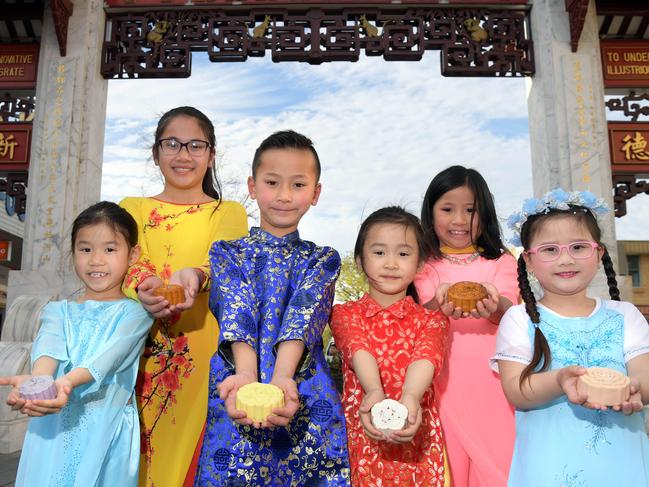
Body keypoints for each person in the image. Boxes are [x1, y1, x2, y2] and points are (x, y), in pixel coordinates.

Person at [192, 130, 351, 485]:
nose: (283, 196)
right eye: (272, 182)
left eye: (297, 185)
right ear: (252, 186)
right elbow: (238, 311)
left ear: (316, 193)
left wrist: (282, 378)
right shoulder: (226, 253)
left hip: (303, 389)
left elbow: (302, 317)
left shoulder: (322, 259)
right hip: (236, 380)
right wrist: (247, 377)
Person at [119, 106, 248, 487]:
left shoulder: (228, 212)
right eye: (172, 143)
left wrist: (195, 276)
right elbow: (123, 259)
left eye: (195, 145)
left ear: (210, 155)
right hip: (138, 351)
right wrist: (143, 286)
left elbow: (223, 262)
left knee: (189, 465)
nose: (183, 154)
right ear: (156, 152)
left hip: (200, 355)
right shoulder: (133, 208)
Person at [492, 189, 649, 486]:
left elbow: (645, 373)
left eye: (578, 247)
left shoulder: (625, 315)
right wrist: (559, 380)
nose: (566, 259)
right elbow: (516, 390)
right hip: (549, 469)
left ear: (599, 252)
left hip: (624, 468)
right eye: (550, 250)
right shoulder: (519, 319)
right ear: (528, 260)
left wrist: (633, 390)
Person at [0, 201, 152, 486]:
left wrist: (66, 383)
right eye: (85, 249)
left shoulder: (136, 313)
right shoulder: (58, 311)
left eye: (109, 249)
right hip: (53, 424)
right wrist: (40, 383)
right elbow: (48, 350)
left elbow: (109, 358)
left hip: (106, 426)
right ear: (72, 253)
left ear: (132, 255)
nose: (96, 260)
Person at [413, 165, 518, 487]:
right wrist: (435, 307)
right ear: (430, 214)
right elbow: (420, 318)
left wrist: (495, 305)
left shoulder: (503, 261)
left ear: (485, 214)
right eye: (447, 209)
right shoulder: (421, 263)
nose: (459, 220)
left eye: (470, 210)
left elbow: (511, 310)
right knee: (449, 469)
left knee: (500, 466)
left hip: (495, 385)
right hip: (441, 384)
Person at [330, 206, 450, 486]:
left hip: (416, 436)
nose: (391, 263)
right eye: (379, 252)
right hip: (361, 435)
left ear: (420, 264)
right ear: (360, 260)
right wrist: (374, 390)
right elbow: (358, 349)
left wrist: (410, 397)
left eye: (404, 253)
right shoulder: (344, 314)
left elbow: (426, 358)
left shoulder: (432, 320)